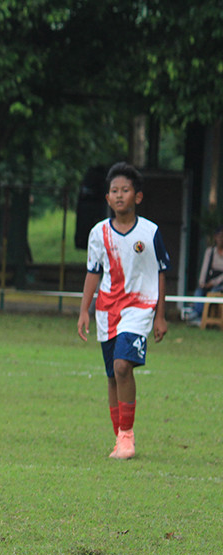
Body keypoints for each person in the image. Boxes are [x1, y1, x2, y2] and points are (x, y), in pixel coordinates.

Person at [77, 162, 170, 460]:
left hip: (139, 308)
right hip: (107, 310)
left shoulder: (150, 232)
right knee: (111, 376)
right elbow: (93, 272)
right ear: (107, 198)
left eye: (125, 190)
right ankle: (119, 436)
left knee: (122, 367)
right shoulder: (98, 233)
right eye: (114, 191)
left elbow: (161, 272)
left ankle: (127, 437)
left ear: (137, 197)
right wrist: (84, 311)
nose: (119, 196)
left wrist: (160, 315)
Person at [188, 224, 223, 325]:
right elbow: (204, 268)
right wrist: (202, 283)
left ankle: (198, 316)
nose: (221, 239)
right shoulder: (210, 252)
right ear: (215, 237)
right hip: (209, 282)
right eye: (219, 236)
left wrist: (213, 283)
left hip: (219, 285)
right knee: (199, 291)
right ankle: (197, 315)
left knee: (213, 292)